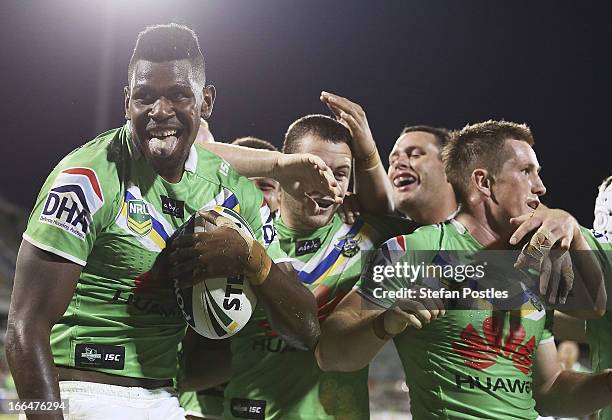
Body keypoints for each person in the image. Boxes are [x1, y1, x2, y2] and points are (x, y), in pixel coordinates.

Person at [5, 23, 338, 420]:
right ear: (127, 101)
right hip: (80, 393)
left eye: (179, 95)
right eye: (145, 97)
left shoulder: (232, 192)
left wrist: (251, 258)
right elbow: (23, 331)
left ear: (206, 101)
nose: (159, 111)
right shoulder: (85, 178)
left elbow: (305, 330)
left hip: (164, 400)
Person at [317, 120, 610, 419]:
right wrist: (386, 322)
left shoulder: (531, 263)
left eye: (538, 173)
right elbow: (329, 352)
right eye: (525, 171)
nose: (540, 186)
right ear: (484, 182)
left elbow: (549, 389)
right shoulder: (416, 249)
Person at [178, 136, 280, 420]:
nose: (254, 198)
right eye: (243, 186)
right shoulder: (196, 236)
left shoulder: (286, 256)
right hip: (194, 407)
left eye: (266, 187)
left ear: (283, 198)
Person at [388, 125, 457, 224]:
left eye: (415, 155)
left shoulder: (481, 234)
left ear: (449, 167)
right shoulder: (384, 237)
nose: (398, 163)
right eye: (393, 160)